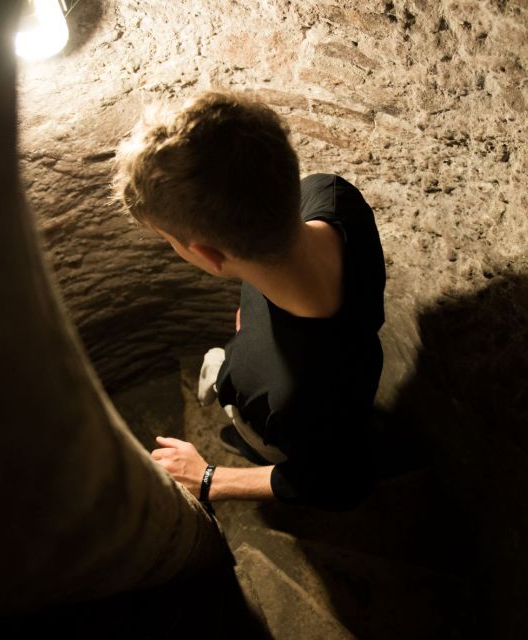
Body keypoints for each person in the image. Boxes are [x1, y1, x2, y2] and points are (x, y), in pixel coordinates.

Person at [111, 92, 385, 510]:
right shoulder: (328, 193)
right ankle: (228, 370)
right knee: (235, 364)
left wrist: (208, 478)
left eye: (171, 242)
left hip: (276, 429)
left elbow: (329, 479)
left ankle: (236, 412)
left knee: (255, 431)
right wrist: (257, 320)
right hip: (272, 370)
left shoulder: (302, 399)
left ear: (208, 255)